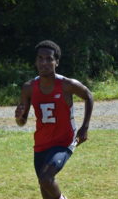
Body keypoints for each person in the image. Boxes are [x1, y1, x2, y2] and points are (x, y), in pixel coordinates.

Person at [15, 40, 93, 199]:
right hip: (41, 144)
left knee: (46, 178)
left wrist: (84, 127)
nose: (44, 63)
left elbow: (88, 96)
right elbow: (21, 122)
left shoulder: (66, 84)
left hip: (64, 141)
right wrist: (18, 116)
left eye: (49, 59)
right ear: (36, 61)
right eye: (40, 58)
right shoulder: (29, 88)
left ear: (56, 62)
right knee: (46, 190)